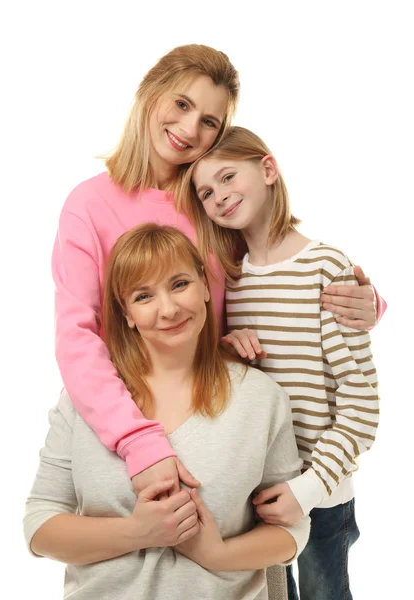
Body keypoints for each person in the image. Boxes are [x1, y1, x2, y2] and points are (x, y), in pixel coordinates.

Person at [53, 43, 382, 504]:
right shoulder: (88, 204)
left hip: (222, 418)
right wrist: (136, 440)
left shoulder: (211, 203)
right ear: (150, 94)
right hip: (126, 421)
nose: (190, 129)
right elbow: (76, 335)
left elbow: (275, 269)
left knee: (247, 564)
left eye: (210, 121)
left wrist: (361, 300)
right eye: (182, 105)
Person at [24, 224, 311, 600]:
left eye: (179, 284)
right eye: (144, 296)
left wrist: (217, 554)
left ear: (205, 288)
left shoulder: (260, 399)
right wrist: (138, 532)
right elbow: (39, 525)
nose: (169, 309)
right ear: (126, 313)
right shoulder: (84, 402)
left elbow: (292, 529)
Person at [187, 126, 380, 600]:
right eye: (207, 192)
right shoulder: (231, 282)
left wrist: (310, 489)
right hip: (259, 493)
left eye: (229, 177)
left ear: (268, 169)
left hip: (321, 493)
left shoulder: (325, 267)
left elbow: (361, 408)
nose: (220, 197)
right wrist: (229, 348)